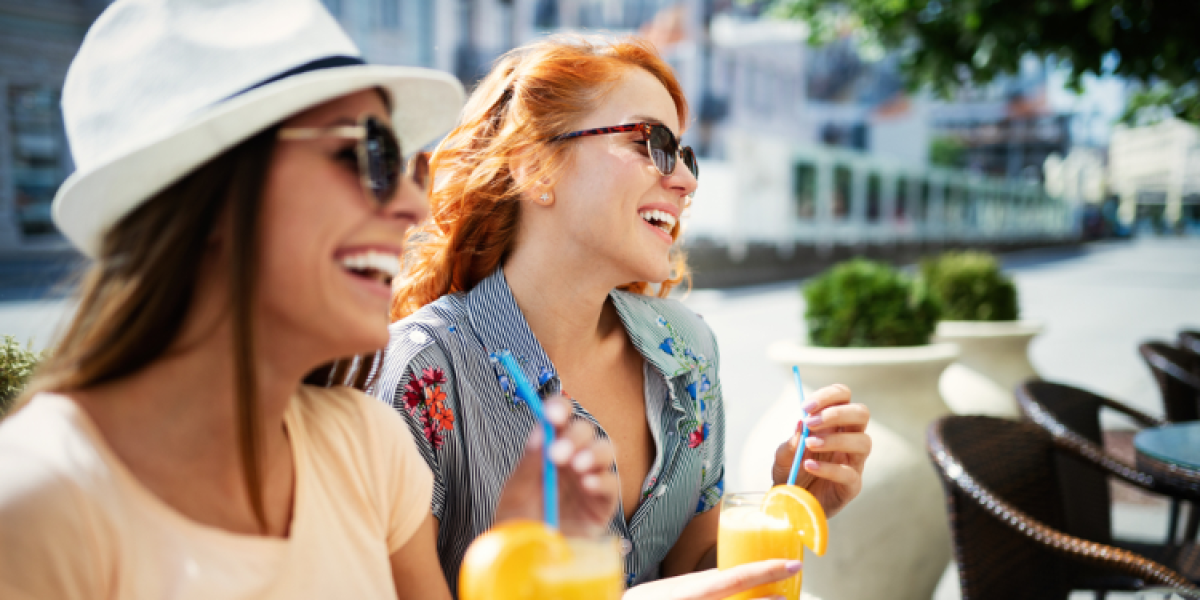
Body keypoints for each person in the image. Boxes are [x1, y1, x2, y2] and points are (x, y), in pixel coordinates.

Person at [0, 2, 616, 599]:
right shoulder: (36, 506)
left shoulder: (367, 448)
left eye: (406, 168)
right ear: (210, 190)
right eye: (368, 154)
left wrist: (514, 555)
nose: (412, 207)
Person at [375, 36, 873, 599]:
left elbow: (696, 571)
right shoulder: (418, 373)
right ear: (536, 166)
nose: (684, 182)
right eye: (652, 143)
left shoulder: (688, 351)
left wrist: (785, 508)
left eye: (687, 156)